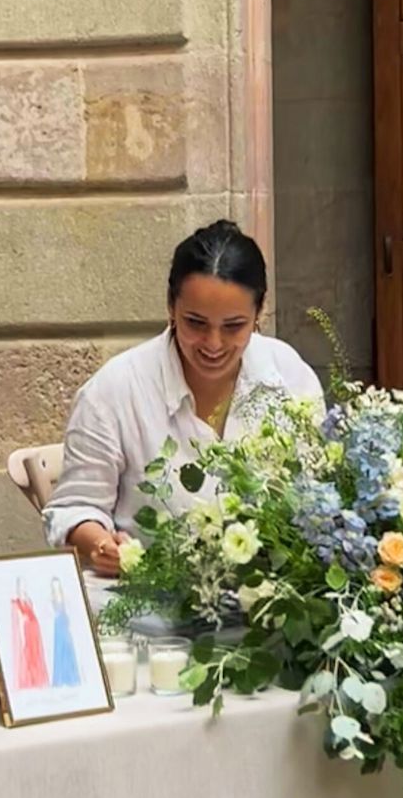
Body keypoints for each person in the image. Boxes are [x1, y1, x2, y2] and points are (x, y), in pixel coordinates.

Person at [43, 220, 323, 574]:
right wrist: (100, 544)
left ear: (259, 312)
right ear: (170, 306)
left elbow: (318, 496)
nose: (213, 344)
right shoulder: (113, 390)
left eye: (233, 326)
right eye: (196, 323)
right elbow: (73, 508)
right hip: (146, 602)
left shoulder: (288, 376)